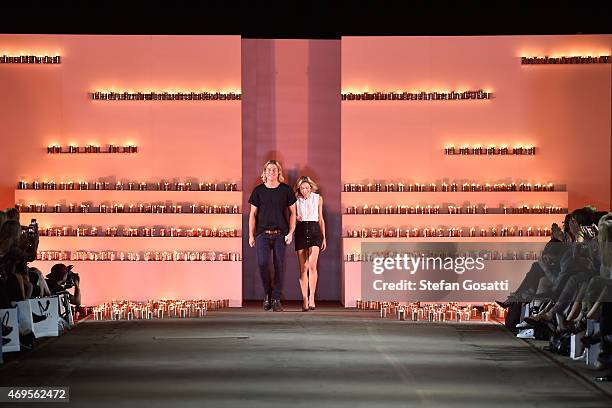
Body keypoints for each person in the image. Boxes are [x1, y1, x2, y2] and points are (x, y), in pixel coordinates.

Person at [248, 160, 297, 312]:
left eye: (274, 170)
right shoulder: (258, 191)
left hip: (280, 235)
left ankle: (276, 299)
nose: (271, 172)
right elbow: (252, 214)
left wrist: (290, 233)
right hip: (262, 234)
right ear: (265, 172)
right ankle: (268, 294)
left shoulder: (286, 190)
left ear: (278, 172)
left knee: (279, 266)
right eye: (269, 169)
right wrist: (251, 235)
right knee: (263, 264)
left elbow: (293, 213)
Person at [294, 176, 326, 311]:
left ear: (311, 187)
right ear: (299, 189)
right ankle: (305, 299)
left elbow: (321, 219)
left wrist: (324, 238)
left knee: (312, 265)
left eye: (307, 188)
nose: (305, 190)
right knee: (303, 267)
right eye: (302, 188)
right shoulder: (295, 200)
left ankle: (312, 297)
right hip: (300, 230)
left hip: (314, 230)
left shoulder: (318, 198)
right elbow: (292, 218)